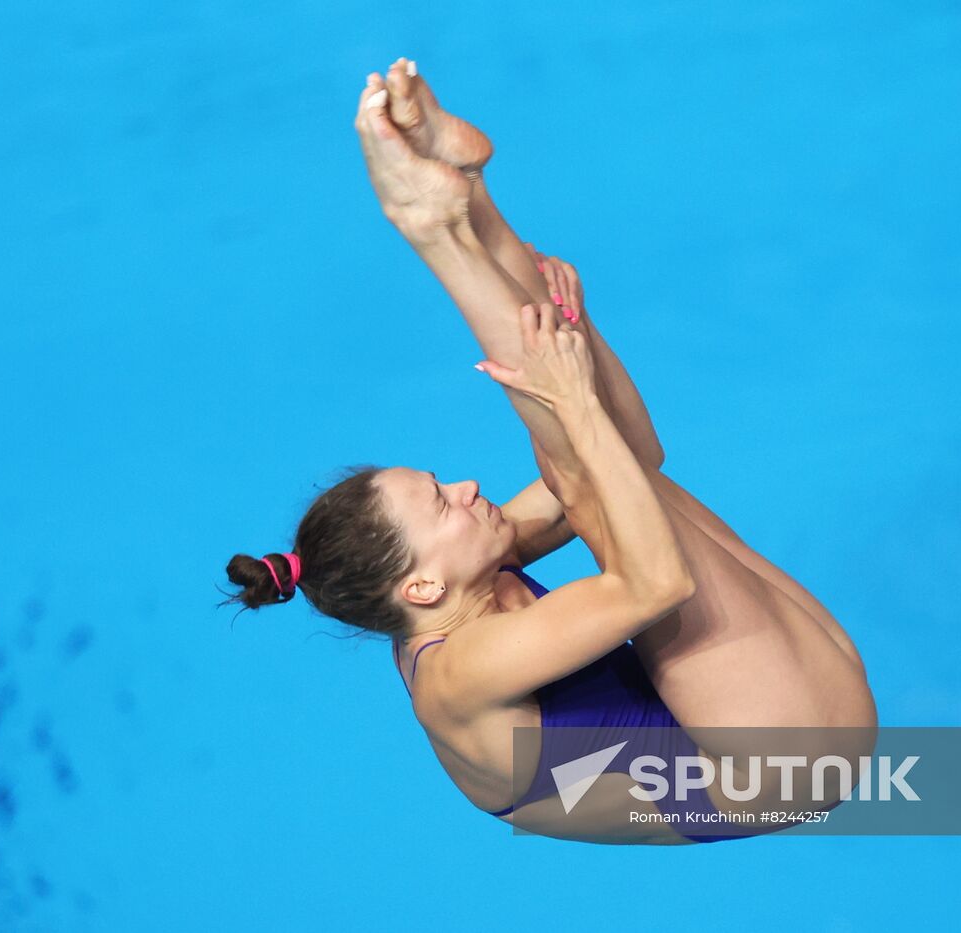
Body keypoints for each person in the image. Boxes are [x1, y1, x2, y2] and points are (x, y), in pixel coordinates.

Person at [224, 59, 876, 845]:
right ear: (422, 584)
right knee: (586, 468)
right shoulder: (459, 675)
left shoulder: (456, 576)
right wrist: (568, 392)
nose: (466, 485)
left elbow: (637, 451)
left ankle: (469, 197)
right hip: (785, 759)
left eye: (442, 483)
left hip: (786, 704)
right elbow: (654, 574)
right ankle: (436, 229)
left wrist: (572, 329)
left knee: (601, 470)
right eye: (442, 502)